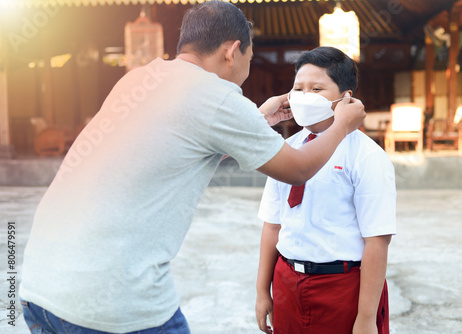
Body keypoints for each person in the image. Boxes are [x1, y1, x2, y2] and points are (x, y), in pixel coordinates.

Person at [19, 2, 365, 334]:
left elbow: (184, 144)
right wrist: (342, 124)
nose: (247, 67)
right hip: (110, 300)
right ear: (232, 51)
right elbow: (299, 169)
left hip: (40, 287)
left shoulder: (140, 78)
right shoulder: (218, 97)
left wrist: (258, 118)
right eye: (249, 57)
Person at [255, 46, 397, 334]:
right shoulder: (285, 150)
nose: (305, 97)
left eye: (317, 89)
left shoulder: (366, 156)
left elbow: (377, 241)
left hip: (341, 286)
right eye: (298, 89)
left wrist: (366, 318)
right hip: (287, 281)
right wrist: (262, 290)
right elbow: (272, 226)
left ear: (344, 97)